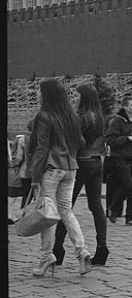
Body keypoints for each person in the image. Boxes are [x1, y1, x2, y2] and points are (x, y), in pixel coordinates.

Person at [28, 79, 92, 277]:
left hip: (51, 168)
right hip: (70, 168)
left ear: (46, 95)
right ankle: (82, 251)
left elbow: (42, 147)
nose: (38, 95)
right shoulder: (70, 116)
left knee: (48, 214)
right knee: (66, 211)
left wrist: (35, 176)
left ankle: (46, 256)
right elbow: (80, 141)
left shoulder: (45, 116)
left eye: (40, 92)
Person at [53, 84, 110, 266]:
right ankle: (102, 247)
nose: (75, 99)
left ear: (83, 98)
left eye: (77, 96)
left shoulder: (81, 117)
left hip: (81, 162)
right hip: (96, 162)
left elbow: (75, 141)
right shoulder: (101, 116)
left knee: (66, 206)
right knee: (96, 206)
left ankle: (57, 248)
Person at [104, 96, 132, 226]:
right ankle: (113, 207)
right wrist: (128, 139)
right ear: (125, 107)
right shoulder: (117, 121)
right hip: (121, 158)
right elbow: (110, 140)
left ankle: (130, 217)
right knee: (128, 185)